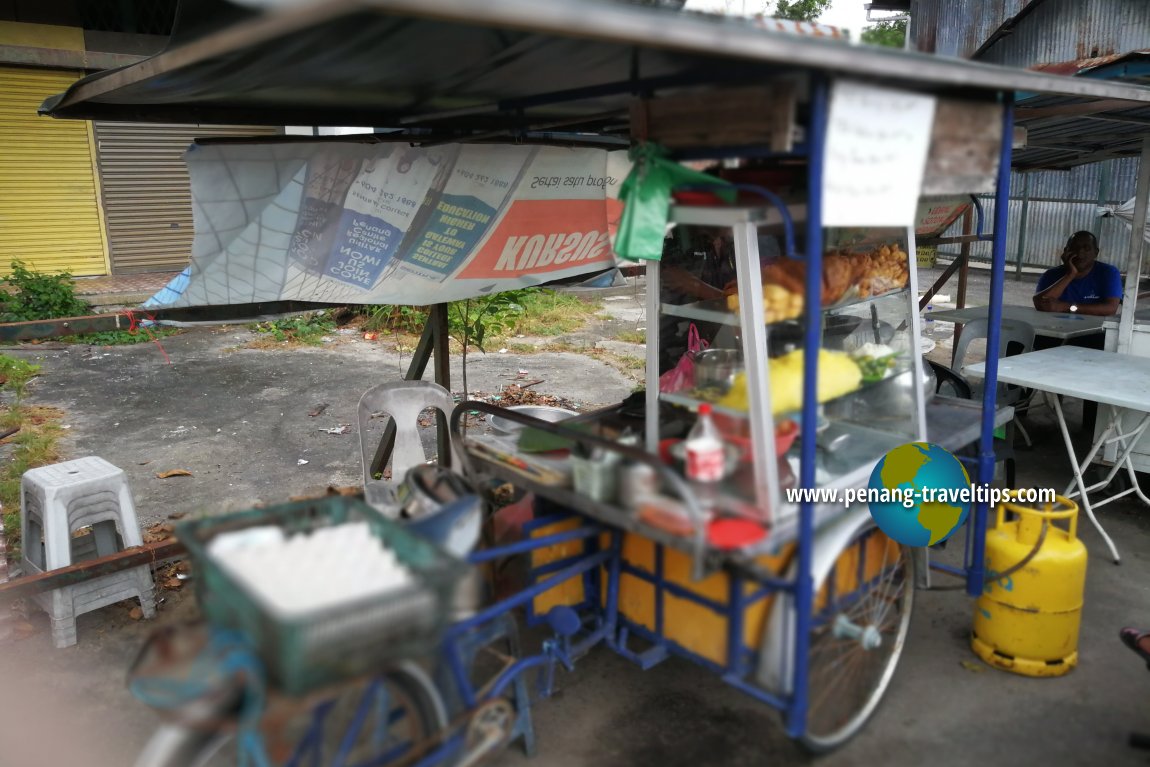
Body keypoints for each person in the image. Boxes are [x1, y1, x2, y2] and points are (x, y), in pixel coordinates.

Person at [1032, 231, 1121, 316]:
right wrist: (1070, 275)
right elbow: (1040, 303)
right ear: (1066, 251)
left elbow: (1111, 308)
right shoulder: (1051, 274)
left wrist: (1066, 307)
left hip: (1095, 330)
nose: (1080, 252)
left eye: (1086, 248)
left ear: (1096, 253)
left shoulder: (1108, 273)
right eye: (1075, 248)